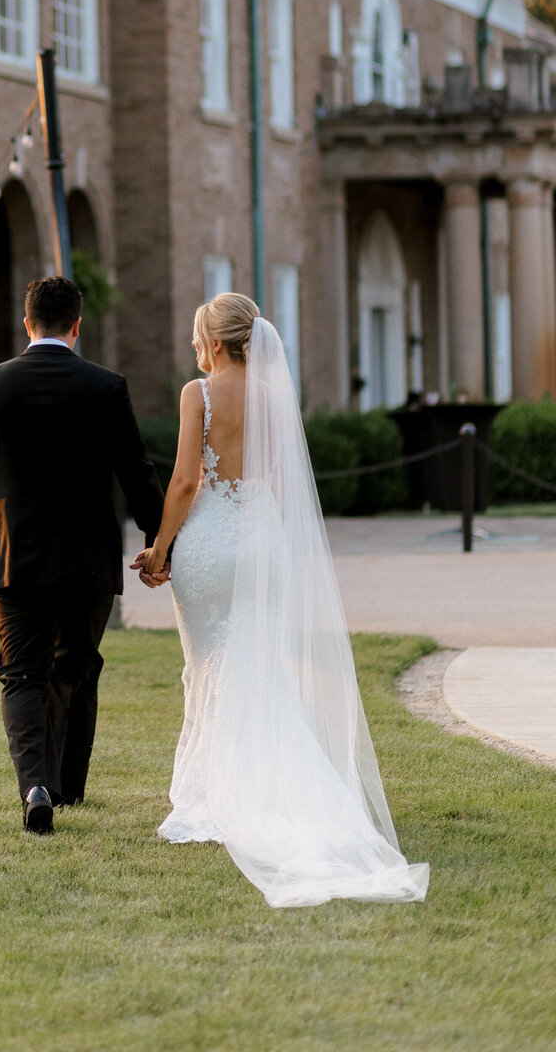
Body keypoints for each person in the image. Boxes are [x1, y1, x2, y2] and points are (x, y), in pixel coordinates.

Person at [133, 292, 429, 907]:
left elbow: (187, 481)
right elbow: (278, 481)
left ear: (214, 342)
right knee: (259, 665)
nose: (194, 347)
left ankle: (220, 796)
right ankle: (269, 789)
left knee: (210, 666)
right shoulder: (275, 396)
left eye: (197, 337)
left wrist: (159, 549)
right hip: (261, 537)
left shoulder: (200, 393)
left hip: (211, 542)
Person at [0, 274, 165, 834]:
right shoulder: (106, 386)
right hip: (88, 557)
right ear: (76, 326)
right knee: (76, 669)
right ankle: (66, 787)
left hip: (12, 555)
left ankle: (34, 786)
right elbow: (135, 471)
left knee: (22, 675)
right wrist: (158, 539)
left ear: (27, 324)